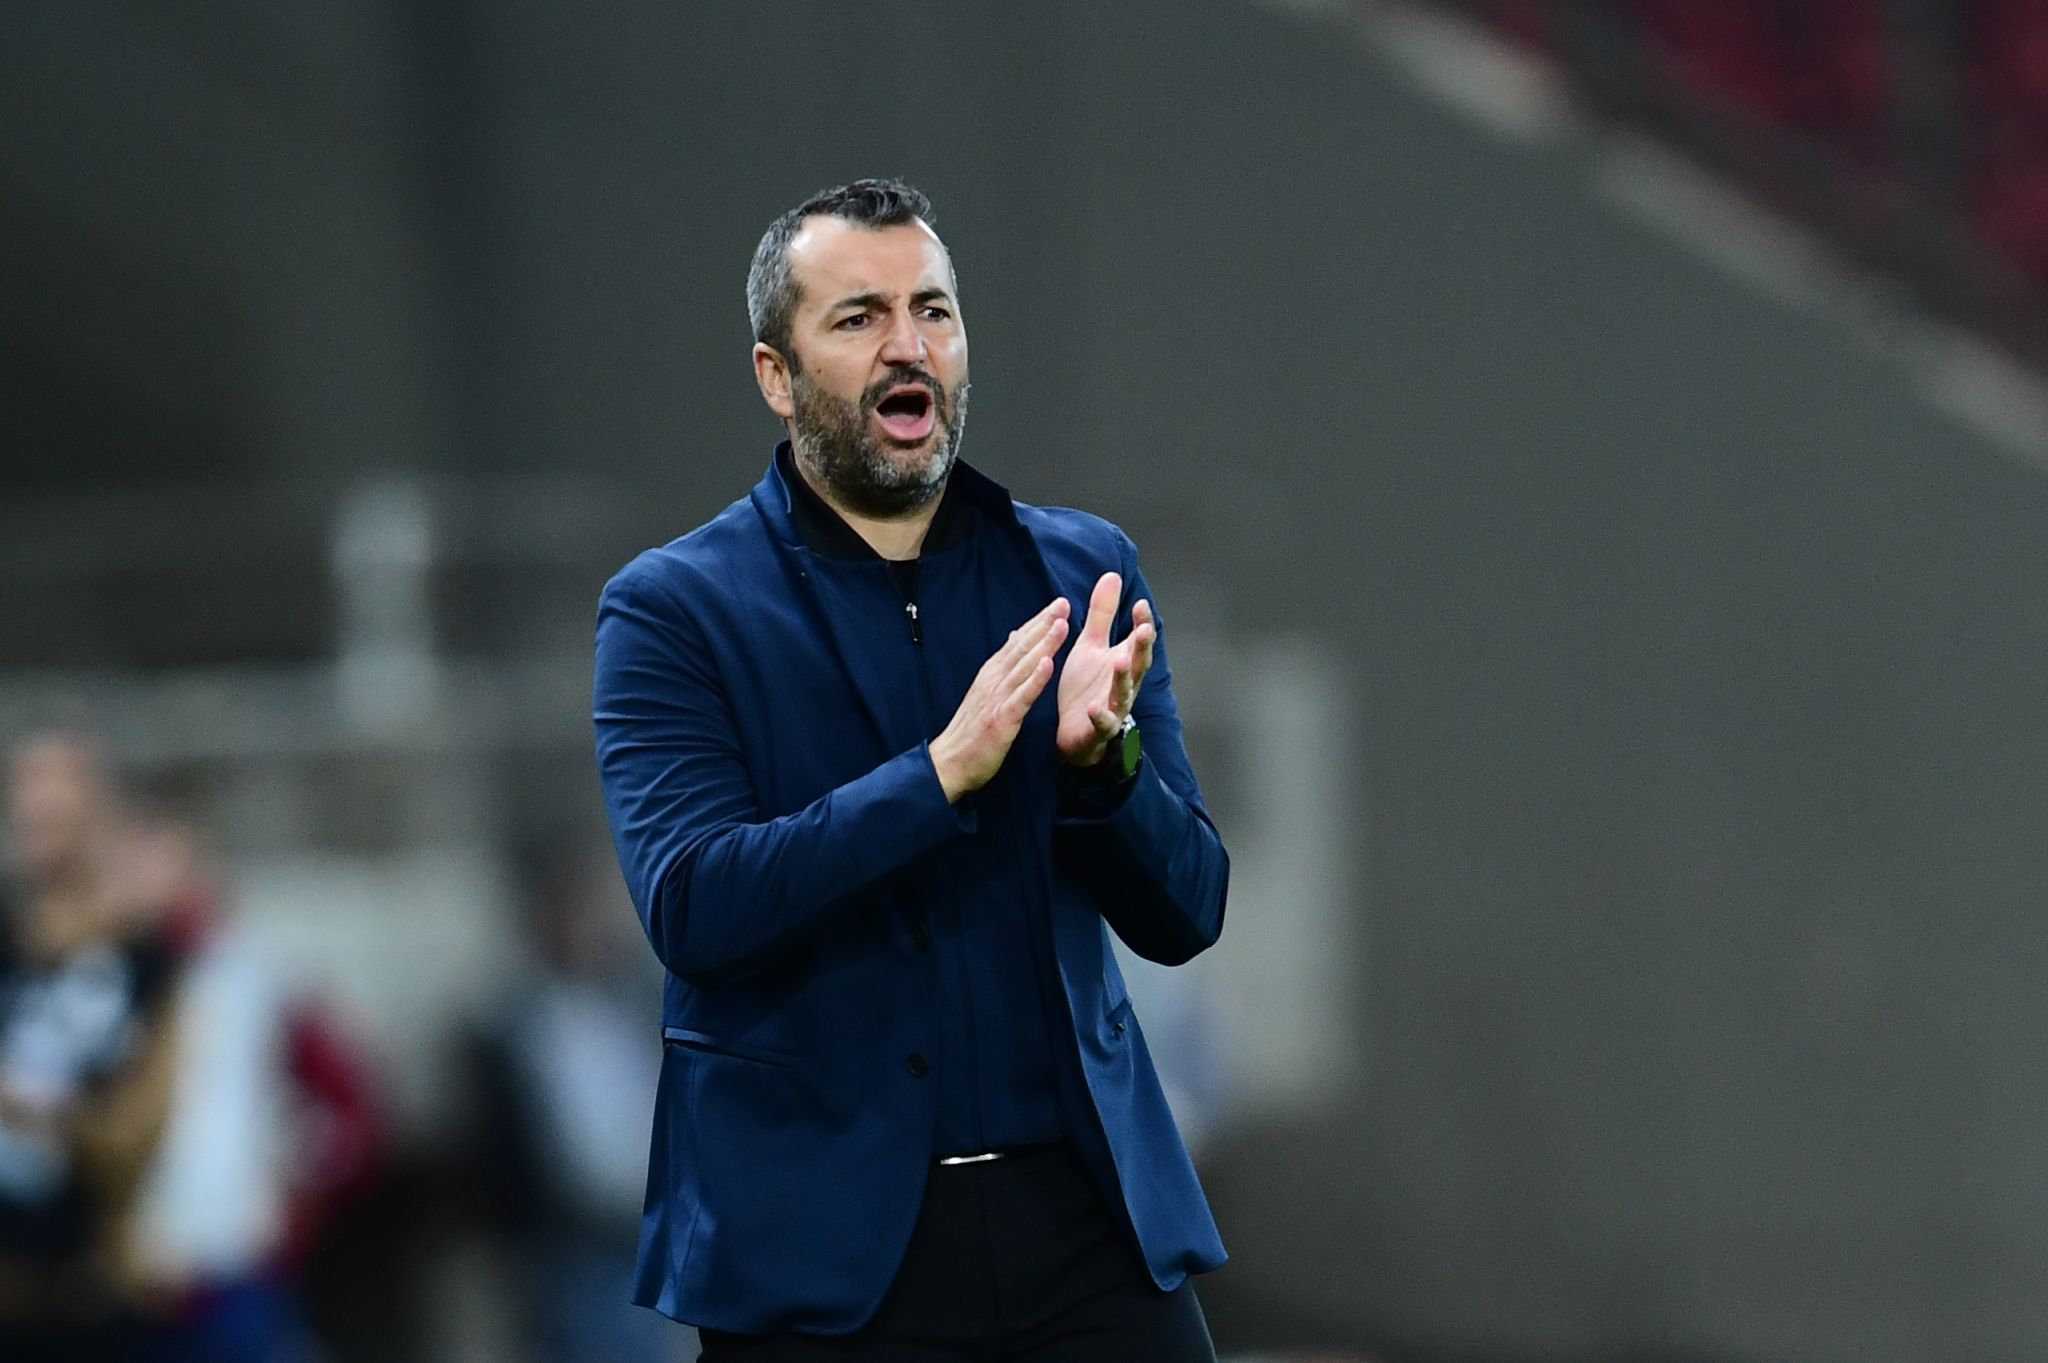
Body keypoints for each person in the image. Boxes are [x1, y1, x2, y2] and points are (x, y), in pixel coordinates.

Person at [593, 178, 1229, 1361]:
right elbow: (692, 905)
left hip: (1085, 1226)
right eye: (858, 317)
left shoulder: (1081, 573)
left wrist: (1106, 769)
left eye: (931, 309)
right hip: (824, 1260)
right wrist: (935, 777)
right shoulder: (672, 610)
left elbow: (1189, 910)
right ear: (776, 375)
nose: (907, 345)